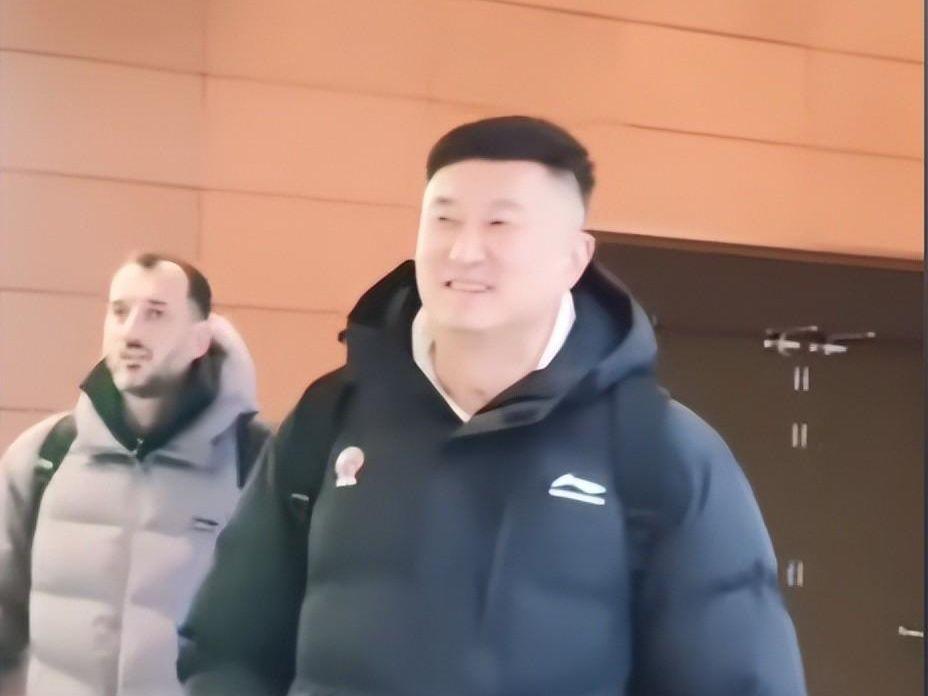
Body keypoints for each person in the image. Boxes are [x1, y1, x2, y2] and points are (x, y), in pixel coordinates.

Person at [178, 116, 806, 695]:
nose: (464, 251)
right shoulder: (329, 419)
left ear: (574, 258)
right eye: (444, 220)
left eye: (500, 224)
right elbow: (230, 646)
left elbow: (737, 679)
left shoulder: (659, 447)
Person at [0, 253, 270, 696]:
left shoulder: (259, 462)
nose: (130, 332)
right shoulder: (44, 456)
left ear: (200, 340)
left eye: (155, 314)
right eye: (119, 312)